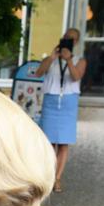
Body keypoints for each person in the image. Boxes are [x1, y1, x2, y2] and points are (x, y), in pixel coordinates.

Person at [32, 27, 87, 193]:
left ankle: (57, 178)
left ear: (76, 42)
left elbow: (76, 76)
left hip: (68, 102)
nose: (68, 40)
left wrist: (69, 60)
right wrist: (53, 56)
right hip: (51, 100)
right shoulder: (52, 59)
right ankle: (46, 176)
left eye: (72, 38)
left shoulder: (80, 60)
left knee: (63, 142)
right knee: (48, 142)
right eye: (66, 37)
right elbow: (38, 73)